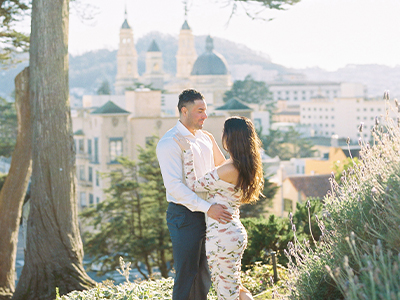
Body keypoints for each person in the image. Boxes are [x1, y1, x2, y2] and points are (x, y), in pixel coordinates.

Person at [174, 116, 264, 300]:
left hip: (222, 237)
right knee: (235, 289)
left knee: (227, 294)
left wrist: (187, 151)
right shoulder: (243, 166)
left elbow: (193, 184)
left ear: (229, 138)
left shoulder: (229, 169)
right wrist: (211, 140)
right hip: (232, 233)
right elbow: (219, 163)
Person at [156, 89, 232, 300]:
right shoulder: (169, 142)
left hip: (210, 213)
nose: (205, 116)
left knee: (203, 275)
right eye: (200, 111)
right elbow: (174, 187)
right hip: (185, 216)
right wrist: (209, 208)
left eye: (205, 110)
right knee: (187, 275)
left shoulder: (206, 138)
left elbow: (221, 166)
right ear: (184, 111)